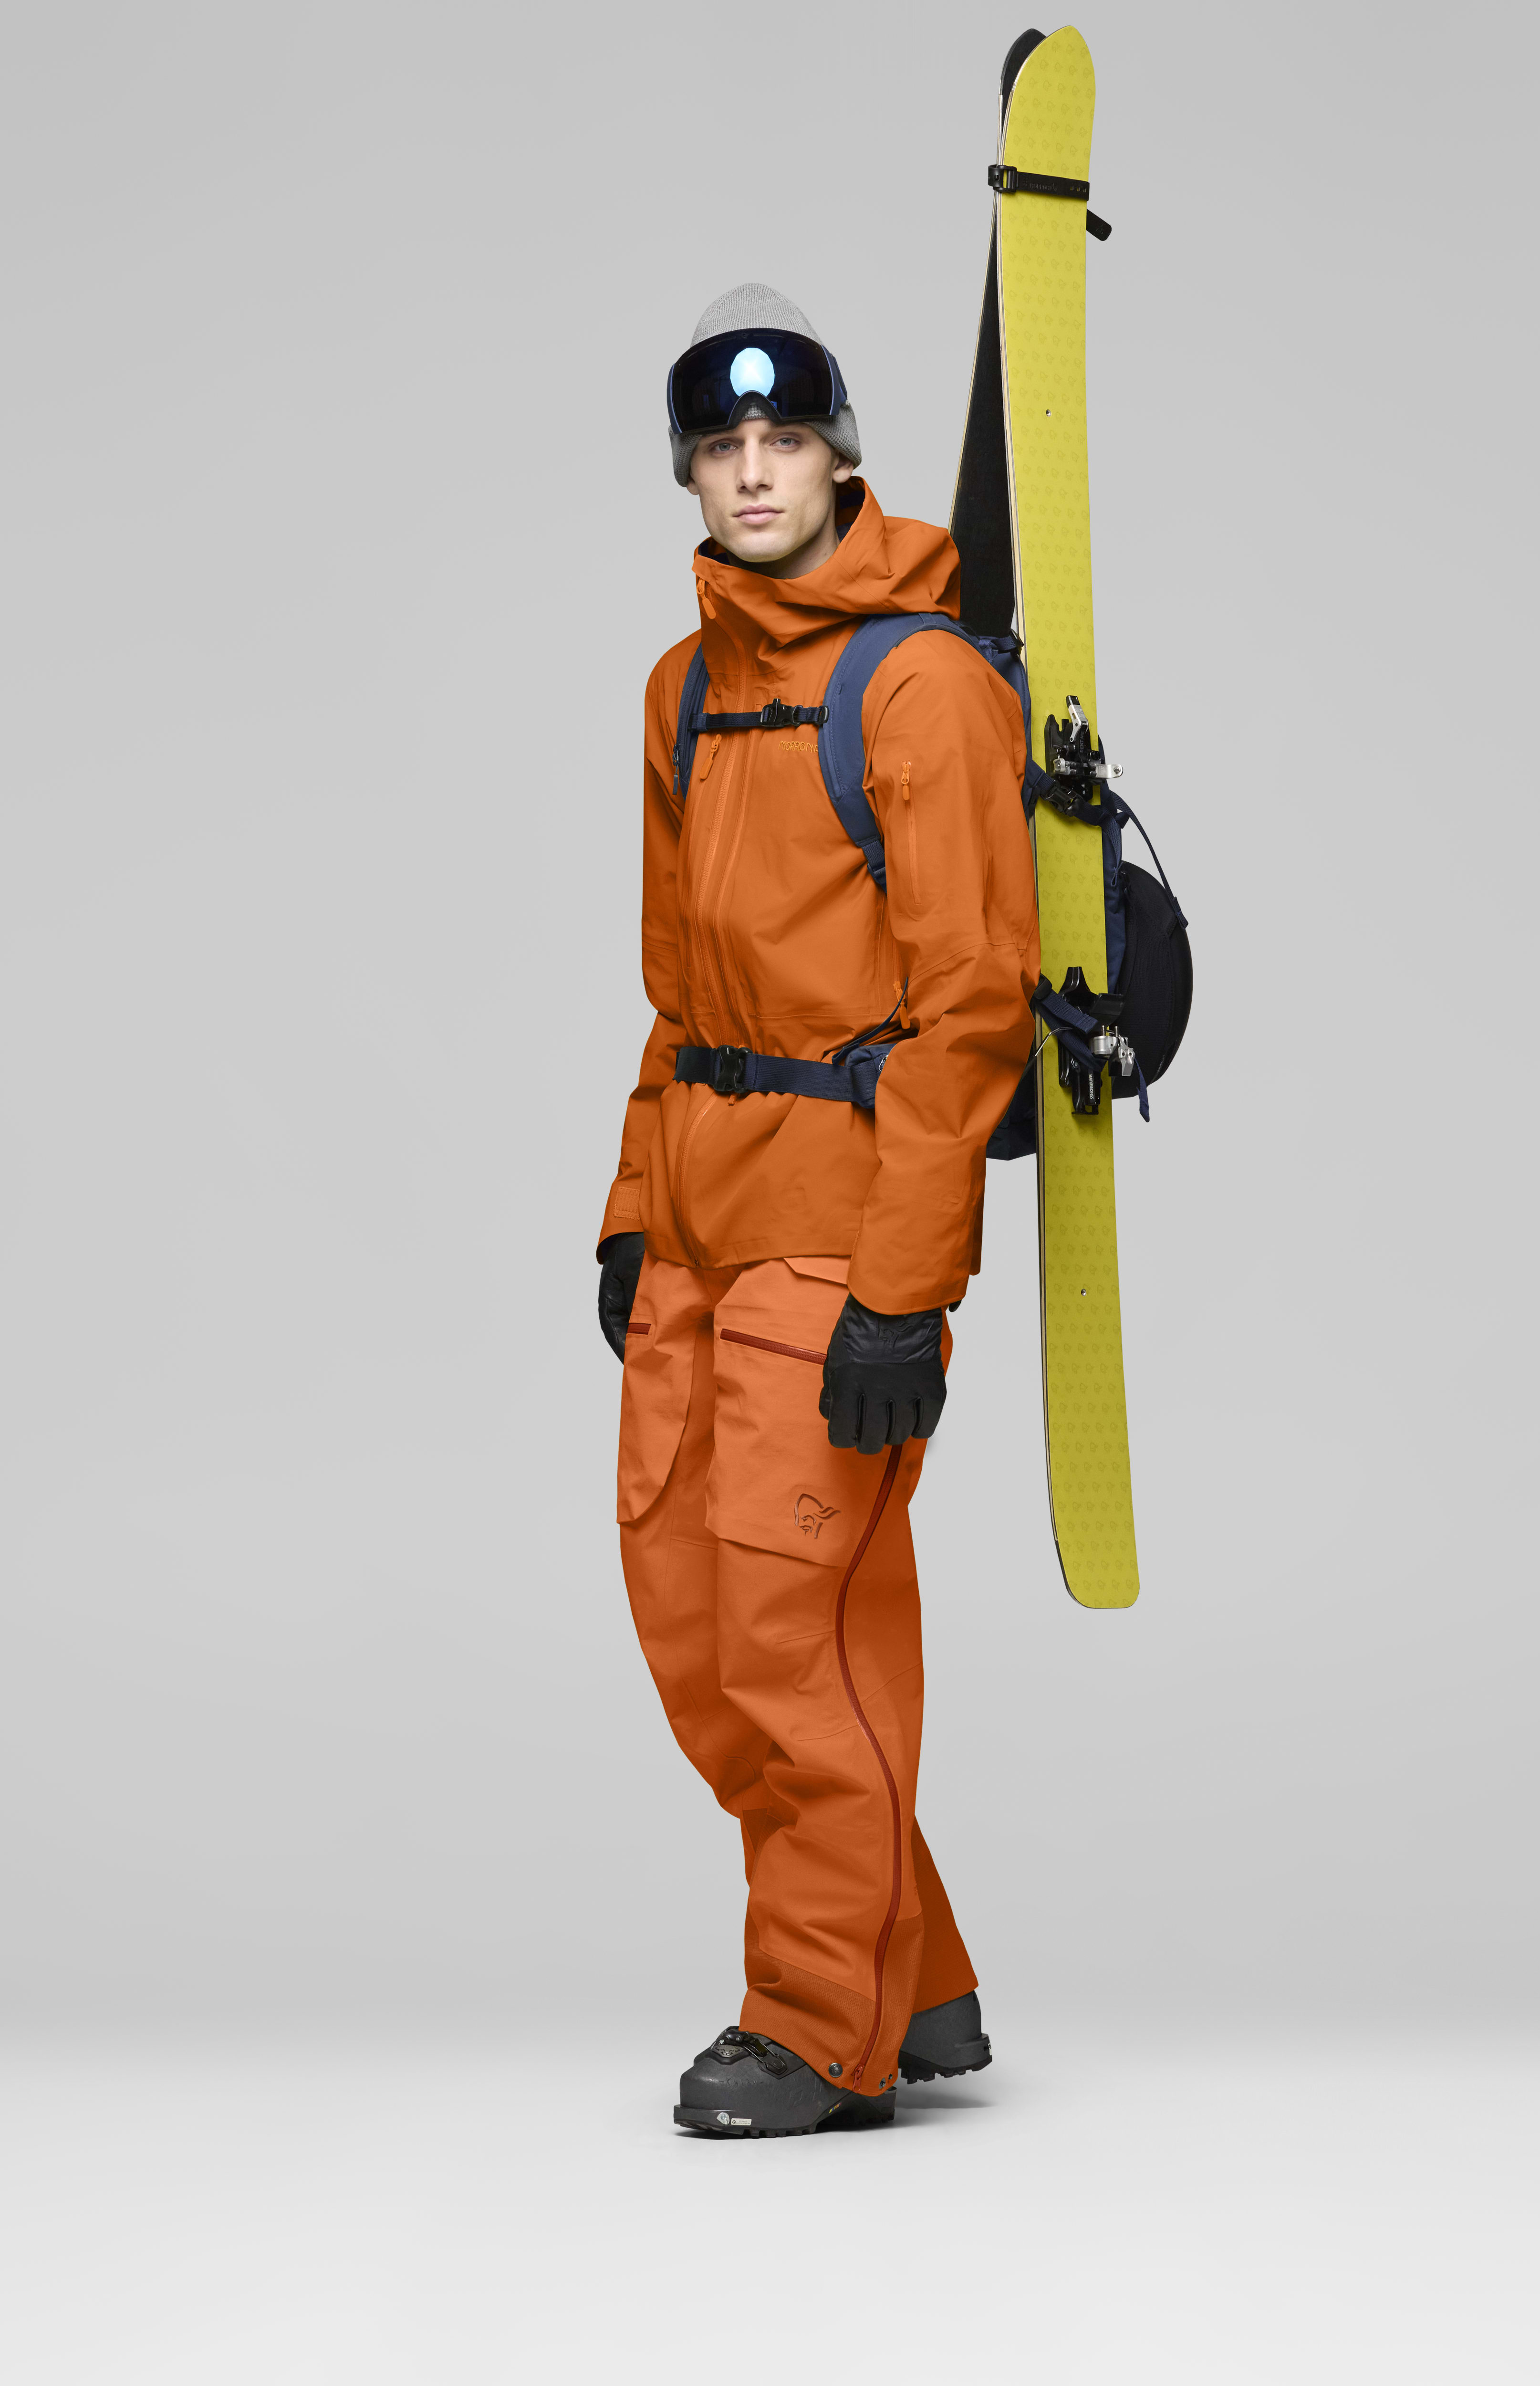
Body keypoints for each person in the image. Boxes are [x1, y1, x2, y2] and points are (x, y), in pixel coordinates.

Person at [597, 283, 1040, 2137]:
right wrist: (633, 1206)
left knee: (797, 1633)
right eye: (723, 446)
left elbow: (974, 1008)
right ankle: (910, 1975)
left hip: (842, 1232)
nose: (756, 471)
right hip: (700, 1222)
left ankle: (818, 2028)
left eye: (786, 440)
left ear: (843, 458)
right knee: (695, 1628)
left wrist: (903, 1288)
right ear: (690, 475)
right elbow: (673, 989)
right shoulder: (684, 690)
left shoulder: (917, 685)